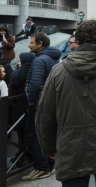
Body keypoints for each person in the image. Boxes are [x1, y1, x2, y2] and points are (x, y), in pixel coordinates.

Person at [36, 20, 96, 187]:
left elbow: (45, 112)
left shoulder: (59, 70)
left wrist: (49, 146)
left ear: (78, 40)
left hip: (70, 147)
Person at [22, 32, 61, 181]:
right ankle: (49, 165)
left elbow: (36, 84)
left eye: (31, 42)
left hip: (39, 103)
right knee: (46, 133)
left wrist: (31, 100)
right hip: (51, 101)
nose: (28, 45)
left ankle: (41, 167)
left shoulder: (39, 60)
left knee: (32, 135)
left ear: (40, 44)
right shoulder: (53, 58)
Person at [9, 52, 35, 167]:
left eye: (20, 60)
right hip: (31, 109)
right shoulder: (35, 72)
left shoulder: (16, 74)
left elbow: (11, 96)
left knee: (21, 137)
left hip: (18, 110)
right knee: (30, 136)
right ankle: (28, 158)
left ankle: (20, 158)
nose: (19, 62)